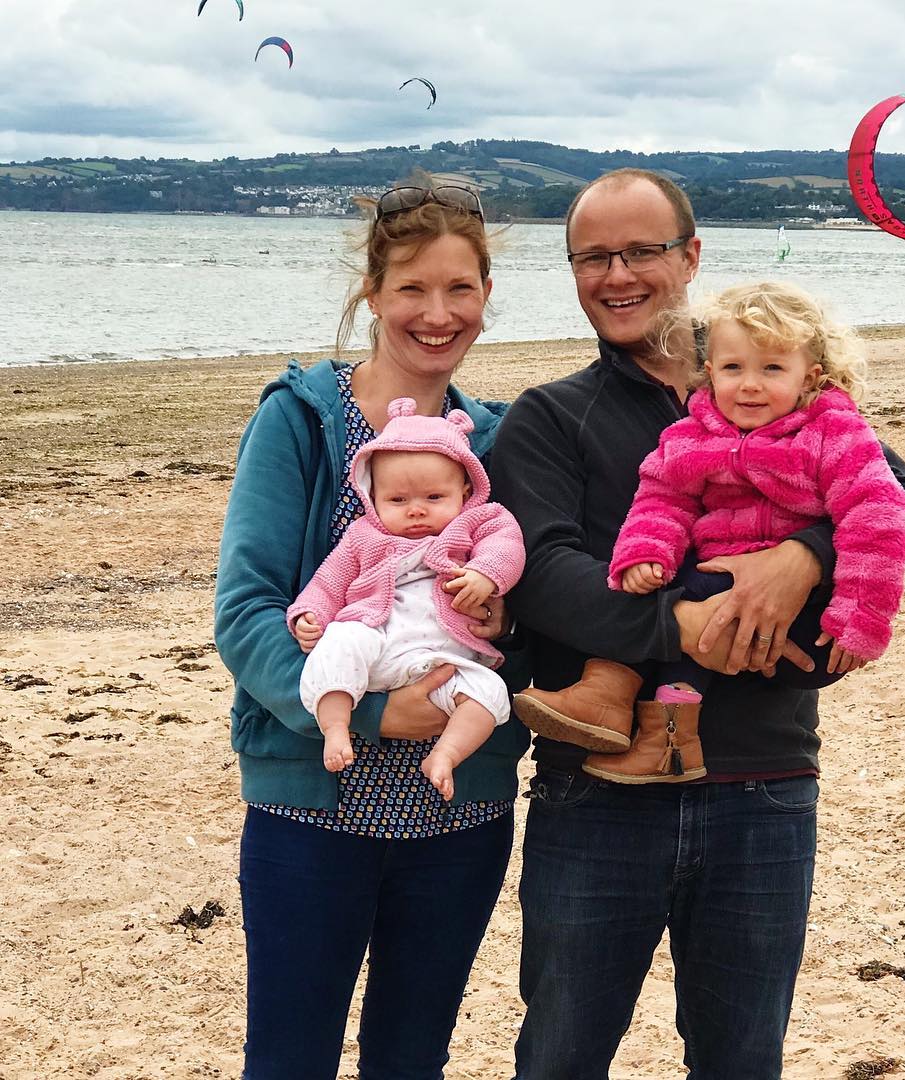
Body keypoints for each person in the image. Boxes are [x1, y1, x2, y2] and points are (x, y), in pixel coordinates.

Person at [489, 168, 905, 1079]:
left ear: (690, 256)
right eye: (591, 257)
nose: (616, 275)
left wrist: (803, 557)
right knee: (560, 1056)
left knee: (741, 1059)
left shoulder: (782, 386)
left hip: (764, 782)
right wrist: (681, 626)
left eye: (640, 251)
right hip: (597, 789)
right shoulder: (551, 416)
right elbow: (541, 573)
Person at [214, 184, 530, 1080]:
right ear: (372, 290)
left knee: (412, 1058)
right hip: (309, 802)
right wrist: (370, 713)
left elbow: (535, 606)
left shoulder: (498, 440)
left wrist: (503, 612)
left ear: (486, 293)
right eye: (412, 290)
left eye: (461, 290)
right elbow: (245, 610)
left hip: (461, 806)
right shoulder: (301, 421)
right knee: (288, 1059)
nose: (438, 315)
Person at [513, 280, 905, 785]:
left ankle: (615, 696)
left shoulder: (832, 432)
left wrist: (858, 611)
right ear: (708, 373)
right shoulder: (693, 434)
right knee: (669, 586)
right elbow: (663, 495)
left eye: (771, 369)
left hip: (812, 626)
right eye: (733, 368)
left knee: (704, 593)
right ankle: (654, 728)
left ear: (810, 377)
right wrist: (646, 551)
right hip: (717, 577)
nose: (749, 385)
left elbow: (880, 513)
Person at [287, 397, 525, 799]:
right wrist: (309, 613)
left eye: (434, 498)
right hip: (375, 642)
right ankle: (334, 726)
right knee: (339, 643)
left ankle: (445, 754)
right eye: (398, 501)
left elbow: (508, 545)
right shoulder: (364, 535)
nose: (416, 511)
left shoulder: (481, 520)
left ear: (466, 491)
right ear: (372, 496)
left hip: (443, 657)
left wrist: (487, 574)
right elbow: (330, 580)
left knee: (490, 693)